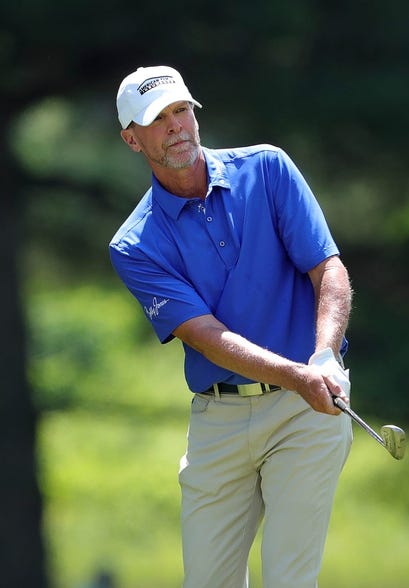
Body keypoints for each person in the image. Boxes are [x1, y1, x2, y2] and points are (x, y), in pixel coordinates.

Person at [108, 65, 355, 588]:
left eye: (182, 111)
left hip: (306, 408)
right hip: (219, 419)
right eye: (158, 119)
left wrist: (325, 357)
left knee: (289, 578)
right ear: (132, 139)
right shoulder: (135, 245)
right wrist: (298, 374)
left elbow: (327, 268)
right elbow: (207, 336)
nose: (177, 126)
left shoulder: (268, 170)